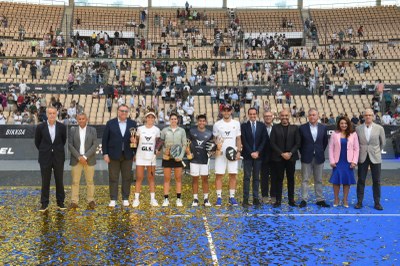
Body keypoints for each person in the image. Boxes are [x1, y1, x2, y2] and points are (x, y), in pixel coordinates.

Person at [102, 104, 137, 208]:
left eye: (126, 111)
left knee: (127, 178)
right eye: (122, 111)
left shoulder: (133, 123)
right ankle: (113, 199)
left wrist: (135, 152)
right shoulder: (110, 123)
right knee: (113, 178)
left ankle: (125, 198)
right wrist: (105, 154)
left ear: (128, 112)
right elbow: (105, 140)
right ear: (118, 111)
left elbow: (136, 140)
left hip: (128, 155)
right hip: (113, 155)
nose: (124, 113)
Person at [34, 106, 67, 212]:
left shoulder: (62, 127)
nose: (52, 115)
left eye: (54, 113)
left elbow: (63, 140)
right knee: (45, 181)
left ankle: (60, 202)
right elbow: (37, 142)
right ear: (47, 114)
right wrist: (46, 150)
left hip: (58, 157)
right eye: (50, 113)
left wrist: (55, 150)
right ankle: (44, 203)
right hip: (45, 157)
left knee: (59, 180)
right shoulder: (40, 127)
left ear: (56, 114)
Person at [355, 108, 386, 210]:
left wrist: (376, 151)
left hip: (375, 157)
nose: (368, 117)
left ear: (373, 116)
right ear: (363, 116)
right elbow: (356, 142)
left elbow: (383, 143)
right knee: (361, 180)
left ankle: (377, 203)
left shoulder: (379, 128)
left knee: (376, 181)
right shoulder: (358, 129)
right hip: (362, 157)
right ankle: (359, 202)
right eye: (366, 115)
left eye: (370, 115)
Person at [299, 108, 330, 208]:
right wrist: (304, 152)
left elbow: (324, 142)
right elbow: (300, 143)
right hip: (306, 157)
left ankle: (320, 199)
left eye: (314, 115)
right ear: (308, 116)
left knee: (319, 180)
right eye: (310, 115)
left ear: (318, 116)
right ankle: (304, 199)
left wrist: (318, 151)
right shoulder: (302, 128)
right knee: (305, 180)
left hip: (319, 157)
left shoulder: (323, 128)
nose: (312, 116)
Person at [270, 109, 301, 208]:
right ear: (279, 116)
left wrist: (290, 153)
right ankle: (278, 200)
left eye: (286, 115)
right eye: (282, 115)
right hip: (278, 158)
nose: (284, 117)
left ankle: (291, 200)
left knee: (291, 179)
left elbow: (298, 143)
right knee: (279, 179)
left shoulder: (295, 128)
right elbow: (272, 143)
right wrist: (282, 153)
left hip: (291, 158)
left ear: (289, 116)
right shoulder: (275, 128)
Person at [213, 104, 242, 206]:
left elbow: (238, 139)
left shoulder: (236, 123)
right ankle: (219, 197)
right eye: (224, 110)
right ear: (221, 112)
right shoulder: (217, 124)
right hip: (220, 154)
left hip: (232, 153)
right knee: (219, 175)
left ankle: (232, 197)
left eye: (228, 110)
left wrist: (238, 151)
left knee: (233, 174)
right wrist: (217, 147)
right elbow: (215, 139)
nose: (226, 112)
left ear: (231, 111)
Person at [68, 113, 98, 209]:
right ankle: (74, 201)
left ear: (86, 119)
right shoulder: (73, 130)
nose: (81, 120)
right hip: (76, 160)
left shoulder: (92, 130)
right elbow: (70, 145)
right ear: (77, 120)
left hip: (89, 159)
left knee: (90, 181)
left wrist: (85, 157)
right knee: (75, 182)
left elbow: (94, 145)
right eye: (79, 119)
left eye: (83, 119)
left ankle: (91, 200)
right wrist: (79, 157)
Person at [132, 110, 161, 207]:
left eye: (152, 117)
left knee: (151, 178)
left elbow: (158, 143)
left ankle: (153, 199)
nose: (150, 119)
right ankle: (136, 199)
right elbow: (135, 141)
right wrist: (133, 142)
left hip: (151, 157)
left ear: (154, 119)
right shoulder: (140, 129)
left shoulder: (156, 130)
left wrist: (157, 150)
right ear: (146, 118)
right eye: (148, 117)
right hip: (140, 156)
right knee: (139, 177)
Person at [329, 116, 359, 208]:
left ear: (348, 124)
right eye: (342, 123)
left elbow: (356, 148)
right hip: (337, 161)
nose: (343, 125)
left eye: (345, 123)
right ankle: (336, 199)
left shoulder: (353, 134)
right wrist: (332, 161)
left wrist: (354, 161)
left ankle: (345, 199)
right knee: (336, 181)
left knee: (347, 181)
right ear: (339, 124)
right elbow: (331, 148)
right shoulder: (334, 134)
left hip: (348, 162)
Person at [241, 108, 266, 206]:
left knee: (256, 178)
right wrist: (251, 152)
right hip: (247, 155)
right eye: (250, 114)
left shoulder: (261, 126)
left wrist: (258, 152)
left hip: (258, 156)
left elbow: (264, 140)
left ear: (257, 114)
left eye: (254, 114)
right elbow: (244, 140)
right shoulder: (244, 126)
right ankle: (245, 199)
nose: (252, 116)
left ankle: (256, 199)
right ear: (248, 115)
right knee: (246, 178)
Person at [160, 113, 187, 207]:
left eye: (175, 119)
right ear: (169, 120)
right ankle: (166, 199)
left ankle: (178, 199)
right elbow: (161, 143)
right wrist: (165, 152)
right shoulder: (164, 130)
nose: (173, 120)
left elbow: (184, 144)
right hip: (167, 158)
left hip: (178, 158)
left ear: (177, 120)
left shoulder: (182, 131)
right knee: (166, 179)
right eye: (172, 119)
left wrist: (181, 155)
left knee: (178, 179)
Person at [189, 114, 214, 207]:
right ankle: (195, 199)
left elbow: (212, 147)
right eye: (200, 121)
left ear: (206, 122)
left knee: (205, 179)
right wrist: (188, 153)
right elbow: (188, 144)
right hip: (194, 159)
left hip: (205, 160)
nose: (201, 122)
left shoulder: (210, 133)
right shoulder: (192, 131)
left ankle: (206, 199)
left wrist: (211, 152)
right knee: (195, 179)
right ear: (197, 122)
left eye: (203, 121)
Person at [261, 111, 274, 204]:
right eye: (266, 116)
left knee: (274, 177)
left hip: (275, 157)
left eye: (269, 116)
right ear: (263, 117)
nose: (268, 117)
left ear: (272, 117)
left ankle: (273, 196)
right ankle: (264, 196)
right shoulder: (260, 128)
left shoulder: (277, 127)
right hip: (263, 157)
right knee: (264, 177)